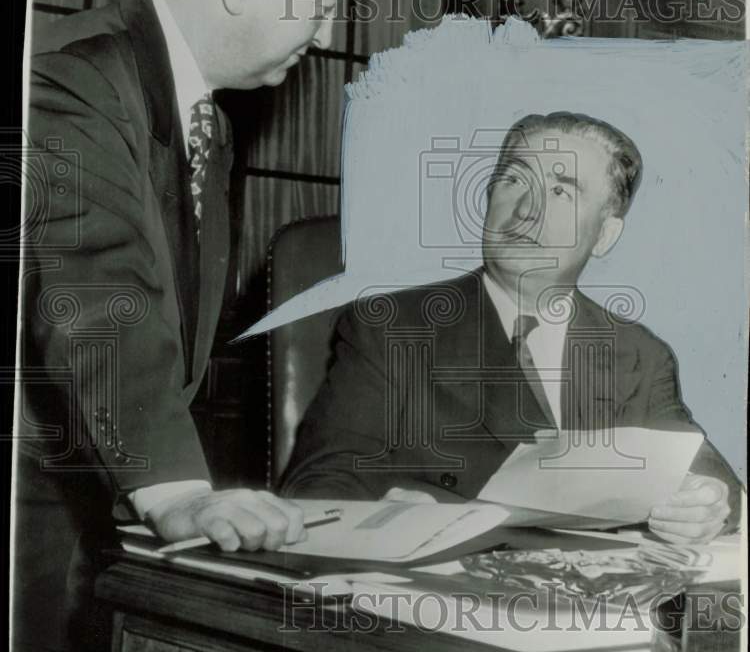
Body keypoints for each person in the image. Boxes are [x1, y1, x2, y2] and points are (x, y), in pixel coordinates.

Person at [14, 0, 358, 652]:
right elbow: (97, 288)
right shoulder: (69, 81)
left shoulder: (199, 114)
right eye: (320, 1)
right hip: (38, 504)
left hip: (104, 495)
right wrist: (174, 490)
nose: (326, 30)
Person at [279, 112, 743, 541]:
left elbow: (711, 476)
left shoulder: (638, 353)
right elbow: (317, 488)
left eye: (562, 191)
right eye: (513, 180)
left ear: (604, 236)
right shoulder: (392, 329)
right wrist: (409, 519)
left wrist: (706, 502)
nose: (525, 210)